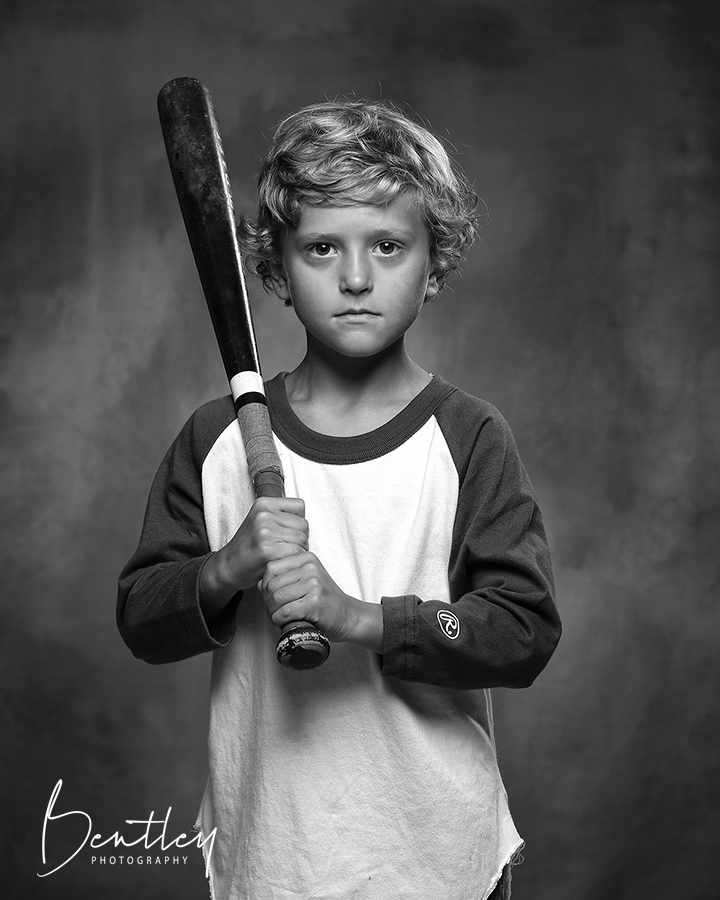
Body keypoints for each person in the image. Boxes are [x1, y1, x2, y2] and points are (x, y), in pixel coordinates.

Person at [117, 98, 561, 900]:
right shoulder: (216, 440)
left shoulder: (467, 437)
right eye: (322, 247)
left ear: (434, 265)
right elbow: (142, 618)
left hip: (438, 858)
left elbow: (523, 630)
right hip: (273, 856)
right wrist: (228, 566)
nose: (356, 278)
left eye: (388, 246)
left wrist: (361, 617)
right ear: (279, 269)